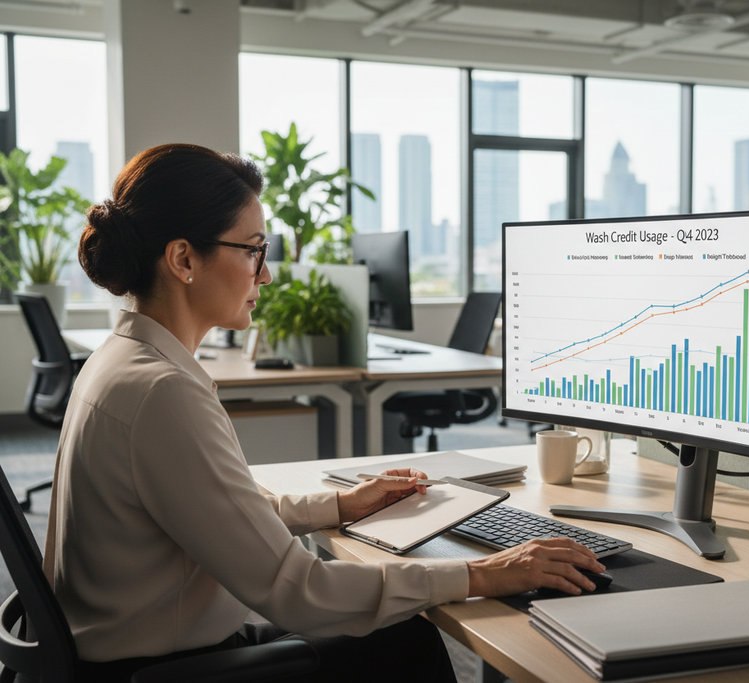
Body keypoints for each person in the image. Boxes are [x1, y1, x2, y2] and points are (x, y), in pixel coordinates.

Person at [45, 143, 605, 682]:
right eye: (253, 249)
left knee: (396, 634)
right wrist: (484, 572)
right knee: (405, 641)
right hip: (160, 670)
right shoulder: (162, 391)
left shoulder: (120, 359)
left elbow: (218, 510)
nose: (264, 274)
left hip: (122, 651)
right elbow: (298, 592)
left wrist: (337, 503)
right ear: (184, 258)